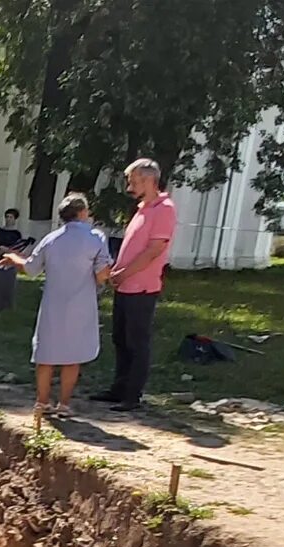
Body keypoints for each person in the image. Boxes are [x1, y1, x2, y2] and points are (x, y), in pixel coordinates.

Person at [0, 193, 112, 416]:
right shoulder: (96, 238)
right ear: (82, 213)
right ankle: (64, 404)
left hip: (53, 302)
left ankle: (42, 401)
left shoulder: (51, 239)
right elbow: (101, 275)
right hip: (81, 303)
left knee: (47, 352)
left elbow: (31, 268)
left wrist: (13, 258)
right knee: (73, 355)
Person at [96, 158, 176, 411]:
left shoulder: (164, 209)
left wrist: (124, 272)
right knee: (120, 338)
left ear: (150, 180)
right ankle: (119, 389)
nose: (130, 186)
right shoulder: (143, 208)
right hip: (125, 285)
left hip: (142, 287)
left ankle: (133, 395)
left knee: (137, 342)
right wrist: (117, 273)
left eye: (134, 181)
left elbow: (153, 250)